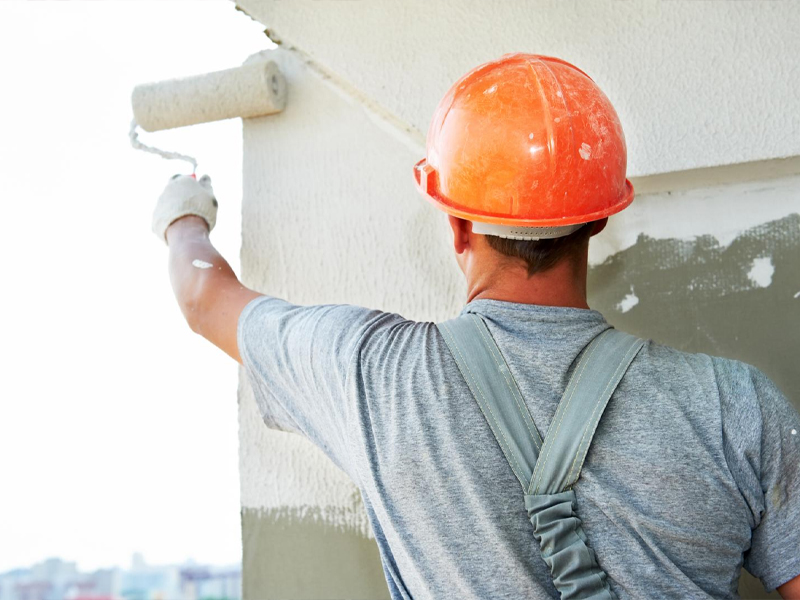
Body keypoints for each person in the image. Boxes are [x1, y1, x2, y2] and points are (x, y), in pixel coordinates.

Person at [151, 54, 800, 599]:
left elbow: (204, 297)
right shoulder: (737, 406)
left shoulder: (374, 375)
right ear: (599, 217)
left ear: (458, 224)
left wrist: (185, 215)